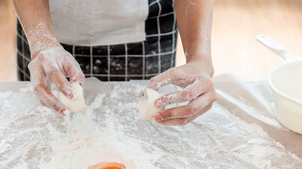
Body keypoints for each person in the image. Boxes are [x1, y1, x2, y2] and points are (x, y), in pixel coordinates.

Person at [12, 0, 217, 125]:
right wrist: (42, 41)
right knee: (48, 128)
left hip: (149, 27)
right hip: (40, 22)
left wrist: (200, 59)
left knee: (150, 128)